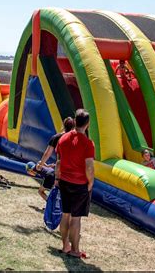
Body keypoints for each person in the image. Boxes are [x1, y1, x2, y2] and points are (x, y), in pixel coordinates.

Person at [55, 109, 95, 258]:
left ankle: (65, 245)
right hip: (79, 184)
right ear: (88, 124)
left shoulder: (63, 138)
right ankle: (75, 250)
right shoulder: (87, 143)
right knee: (76, 218)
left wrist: (57, 179)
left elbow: (58, 162)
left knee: (65, 215)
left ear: (75, 121)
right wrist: (90, 183)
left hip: (64, 181)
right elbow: (89, 167)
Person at [29, 117, 74, 201]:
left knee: (56, 190)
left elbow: (47, 153)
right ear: (73, 127)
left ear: (63, 126)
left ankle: (53, 208)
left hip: (60, 170)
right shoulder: (76, 139)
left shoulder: (57, 137)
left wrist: (41, 164)